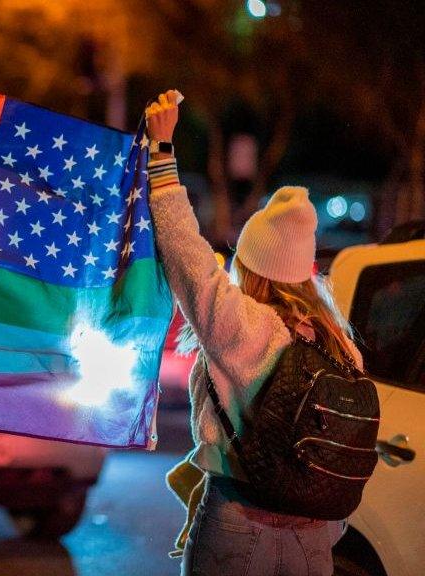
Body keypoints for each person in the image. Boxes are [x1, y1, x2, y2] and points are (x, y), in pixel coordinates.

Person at [144, 91, 360, 576]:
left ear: (253, 263)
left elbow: (184, 250)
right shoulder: (338, 343)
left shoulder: (244, 324)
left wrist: (161, 151)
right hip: (317, 538)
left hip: (238, 524)